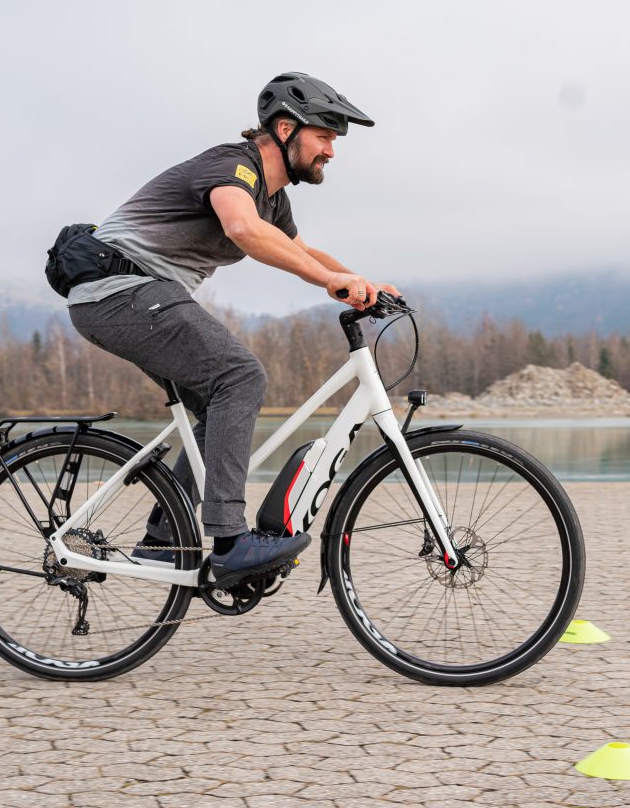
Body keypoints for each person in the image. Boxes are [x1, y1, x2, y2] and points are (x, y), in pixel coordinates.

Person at [67, 72, 397, 586]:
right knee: (239, 377)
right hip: (118, 289)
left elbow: (299, 249)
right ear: (286, 129)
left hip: (139, 297)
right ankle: (228, 541)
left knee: (213, 406)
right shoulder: (232, 168)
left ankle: (162, 540)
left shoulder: (272, 197)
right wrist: (332, 281)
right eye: (326, 136)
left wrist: (361, 281)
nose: (332, 151)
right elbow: (243, 229)